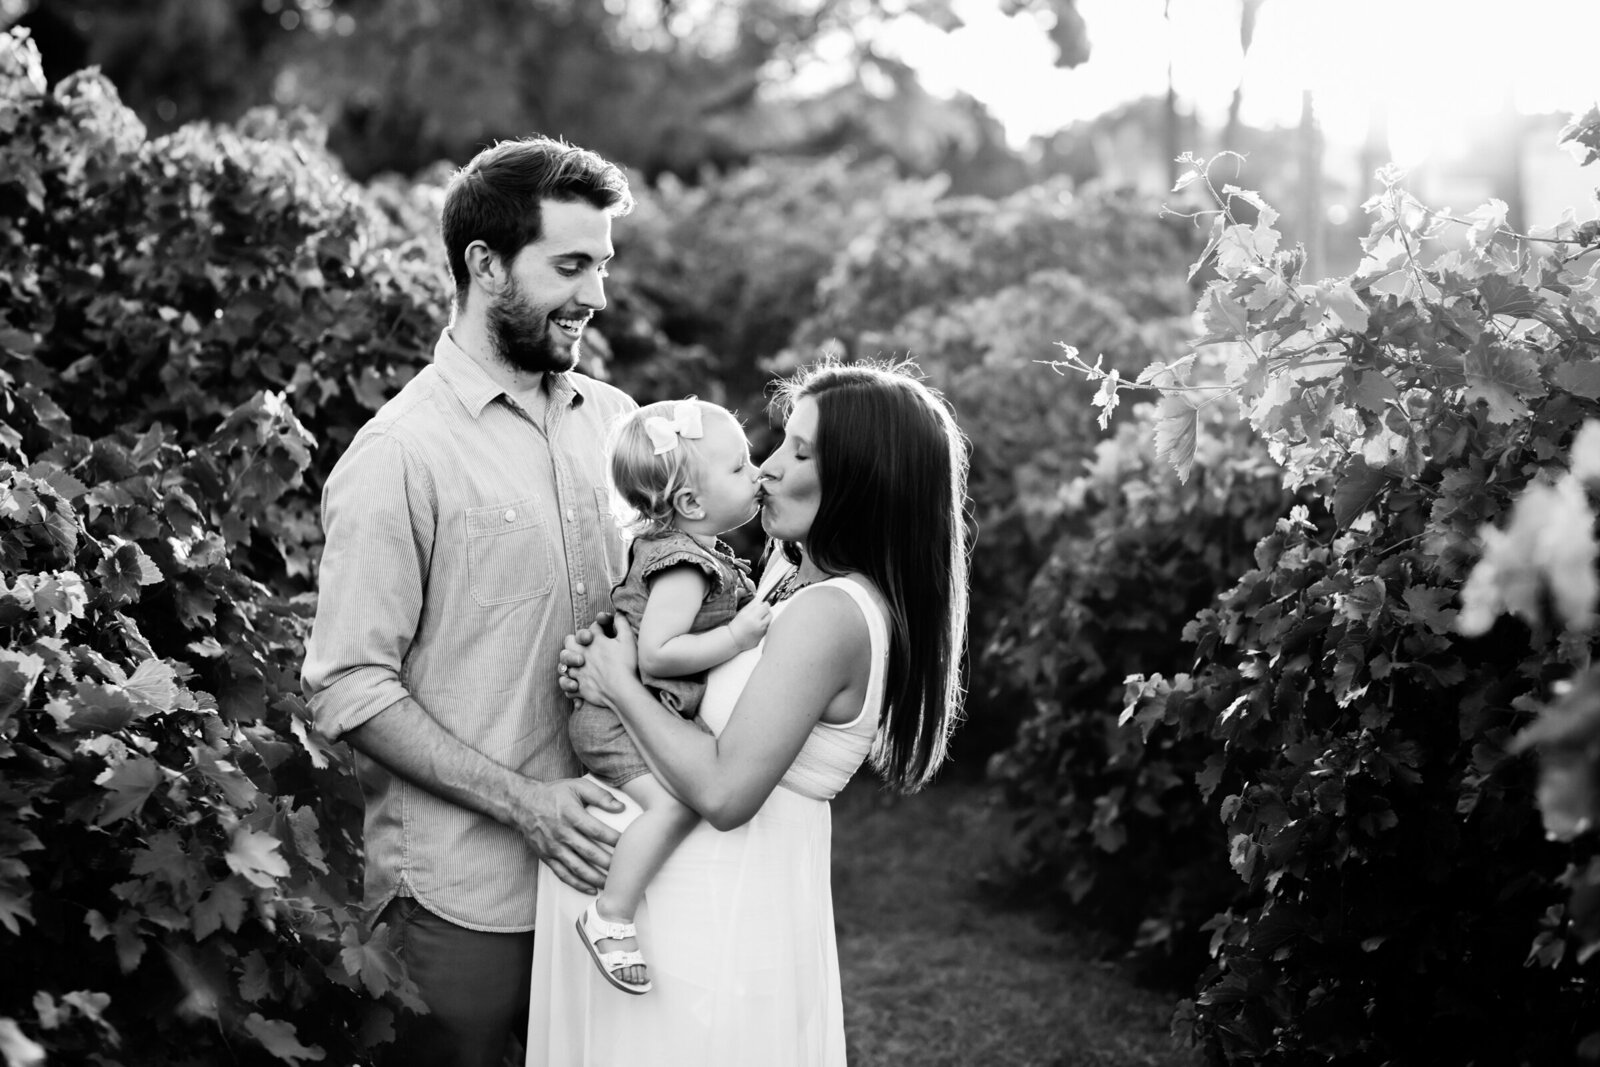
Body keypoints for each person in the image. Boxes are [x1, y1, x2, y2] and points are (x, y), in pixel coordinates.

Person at [301, 134, 637, 1067]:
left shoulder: (617, 425)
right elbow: (347, 687)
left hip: (616, 877)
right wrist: (527, 803)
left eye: (603, 265)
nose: (597, 295)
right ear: (485, 265)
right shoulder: (400, 454)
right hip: (462, 902)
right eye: (570, 265)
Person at [530, 359, 971, 1066]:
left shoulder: (830, 615)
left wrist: (619, 686)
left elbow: (726, 792)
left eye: (798, 451)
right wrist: (609, 655)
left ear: (861, 480)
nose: (766, 469)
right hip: (672, 911)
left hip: (711, 929)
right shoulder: (788, 577)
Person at [569, 397, 772, 994]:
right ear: (690, 504)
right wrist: (736, 635)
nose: (757, 473)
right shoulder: (683, 567)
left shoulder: (699, 555)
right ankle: (610, 916)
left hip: (634, 710)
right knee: (678, 805)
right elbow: (658, 654)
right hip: (614, 718)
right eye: (739, 467)